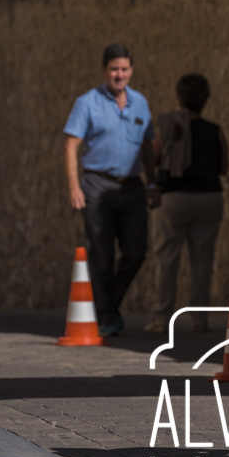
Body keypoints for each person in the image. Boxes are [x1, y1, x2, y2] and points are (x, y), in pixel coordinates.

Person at [63, 44, 160, 337]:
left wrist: (153, 184)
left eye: (124, 69)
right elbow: (71, 146)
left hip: (132, 188)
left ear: (131, 71)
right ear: (104, 70)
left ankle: (106, 308)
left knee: (136, 252)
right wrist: (74, 186)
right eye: (114, 69)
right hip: (96, 186)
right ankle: (106, 316)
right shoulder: (87, 102)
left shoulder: (140, 103)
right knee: (102, 255)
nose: (119, 75)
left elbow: (148, 147)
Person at [145, 74, 228, 333]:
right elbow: (224, 167)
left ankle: (161, 318)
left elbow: (153, 157)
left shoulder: (167, 128)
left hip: (173, 199)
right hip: (209, 199)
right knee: (202, 260)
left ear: (179, 98)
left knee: (167, 259)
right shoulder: (215, 130)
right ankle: (199, 319)